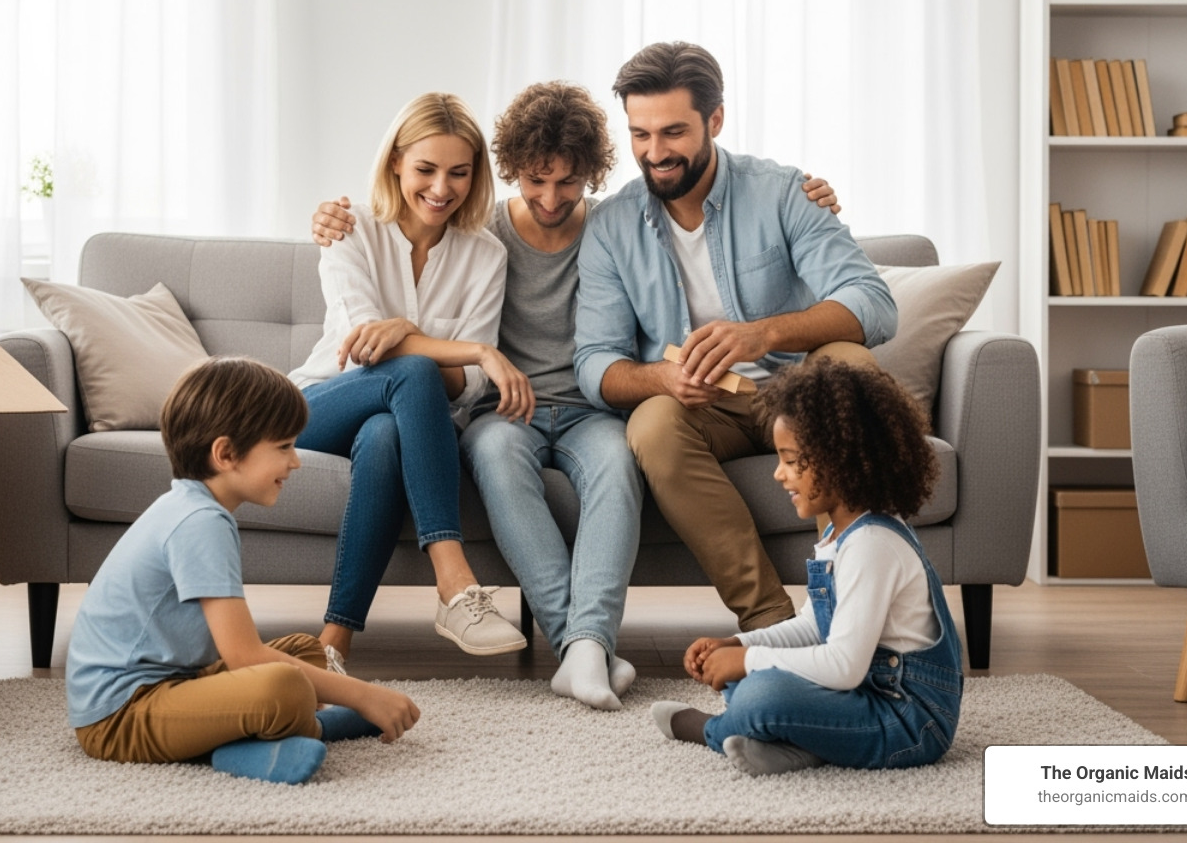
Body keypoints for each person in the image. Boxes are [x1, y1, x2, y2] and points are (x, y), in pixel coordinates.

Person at [309, 81, 840, 710]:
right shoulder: (483, 231)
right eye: (535, 181)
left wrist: (806, 196)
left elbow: (691, 202)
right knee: (498, 463)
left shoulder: (614, 225)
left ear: (591, 174)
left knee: (618, 467)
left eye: (568, 183)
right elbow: (445, 356)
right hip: (504, 413)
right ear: (508, 172)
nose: (551, 198)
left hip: (593, 409)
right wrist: (411, 322)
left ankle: (581, 649)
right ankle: (579, 646)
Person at [573, 41, 897, 634]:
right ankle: (772, 625)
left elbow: (873, 304)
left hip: (796, 391)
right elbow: (595, 362)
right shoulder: (611, 226)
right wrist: (661, 379)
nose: (654, 152)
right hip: (707, 410)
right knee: (651, 421)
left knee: (847, 365)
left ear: (714, 120)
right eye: (640, 135)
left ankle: (859, 603)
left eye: (673, 132)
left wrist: (762, 334)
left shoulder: (783, 192)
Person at [66, 357, 420, 785]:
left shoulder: (195, 507)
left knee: (305, 651)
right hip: (119, 717)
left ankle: (253, 739)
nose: (296, 463)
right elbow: (244, 656)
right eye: (284, 447)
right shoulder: (200, 522)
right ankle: (295, 734)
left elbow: (234, 652)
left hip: (176, 681)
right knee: (283, 687)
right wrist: (365, 696)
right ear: (226, 453)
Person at [289, 91, 530, 666]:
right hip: (318, 406)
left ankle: (332, 645)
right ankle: (452, 580)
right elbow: (364, 347)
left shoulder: (486, 255)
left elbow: (463, 387)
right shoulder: (349, 229)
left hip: (406, 423)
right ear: (395, 162)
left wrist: (413, 338)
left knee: (386, 434)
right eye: (425, 169)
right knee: (410, 369)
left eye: (459, 173)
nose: (441, 189)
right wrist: (471, 349)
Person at [651, 358, 961, 777]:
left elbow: (845, 666)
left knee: (759, 694)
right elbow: (814, 626)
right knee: (752, 684)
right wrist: (739, 644)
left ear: (838, 459)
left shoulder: (873, 545)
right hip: (864, 698)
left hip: (909, 723)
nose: (779, 473)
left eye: (791, 459)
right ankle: (799, 750)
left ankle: (712, 730)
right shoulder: (840, 534)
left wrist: (750, 662)